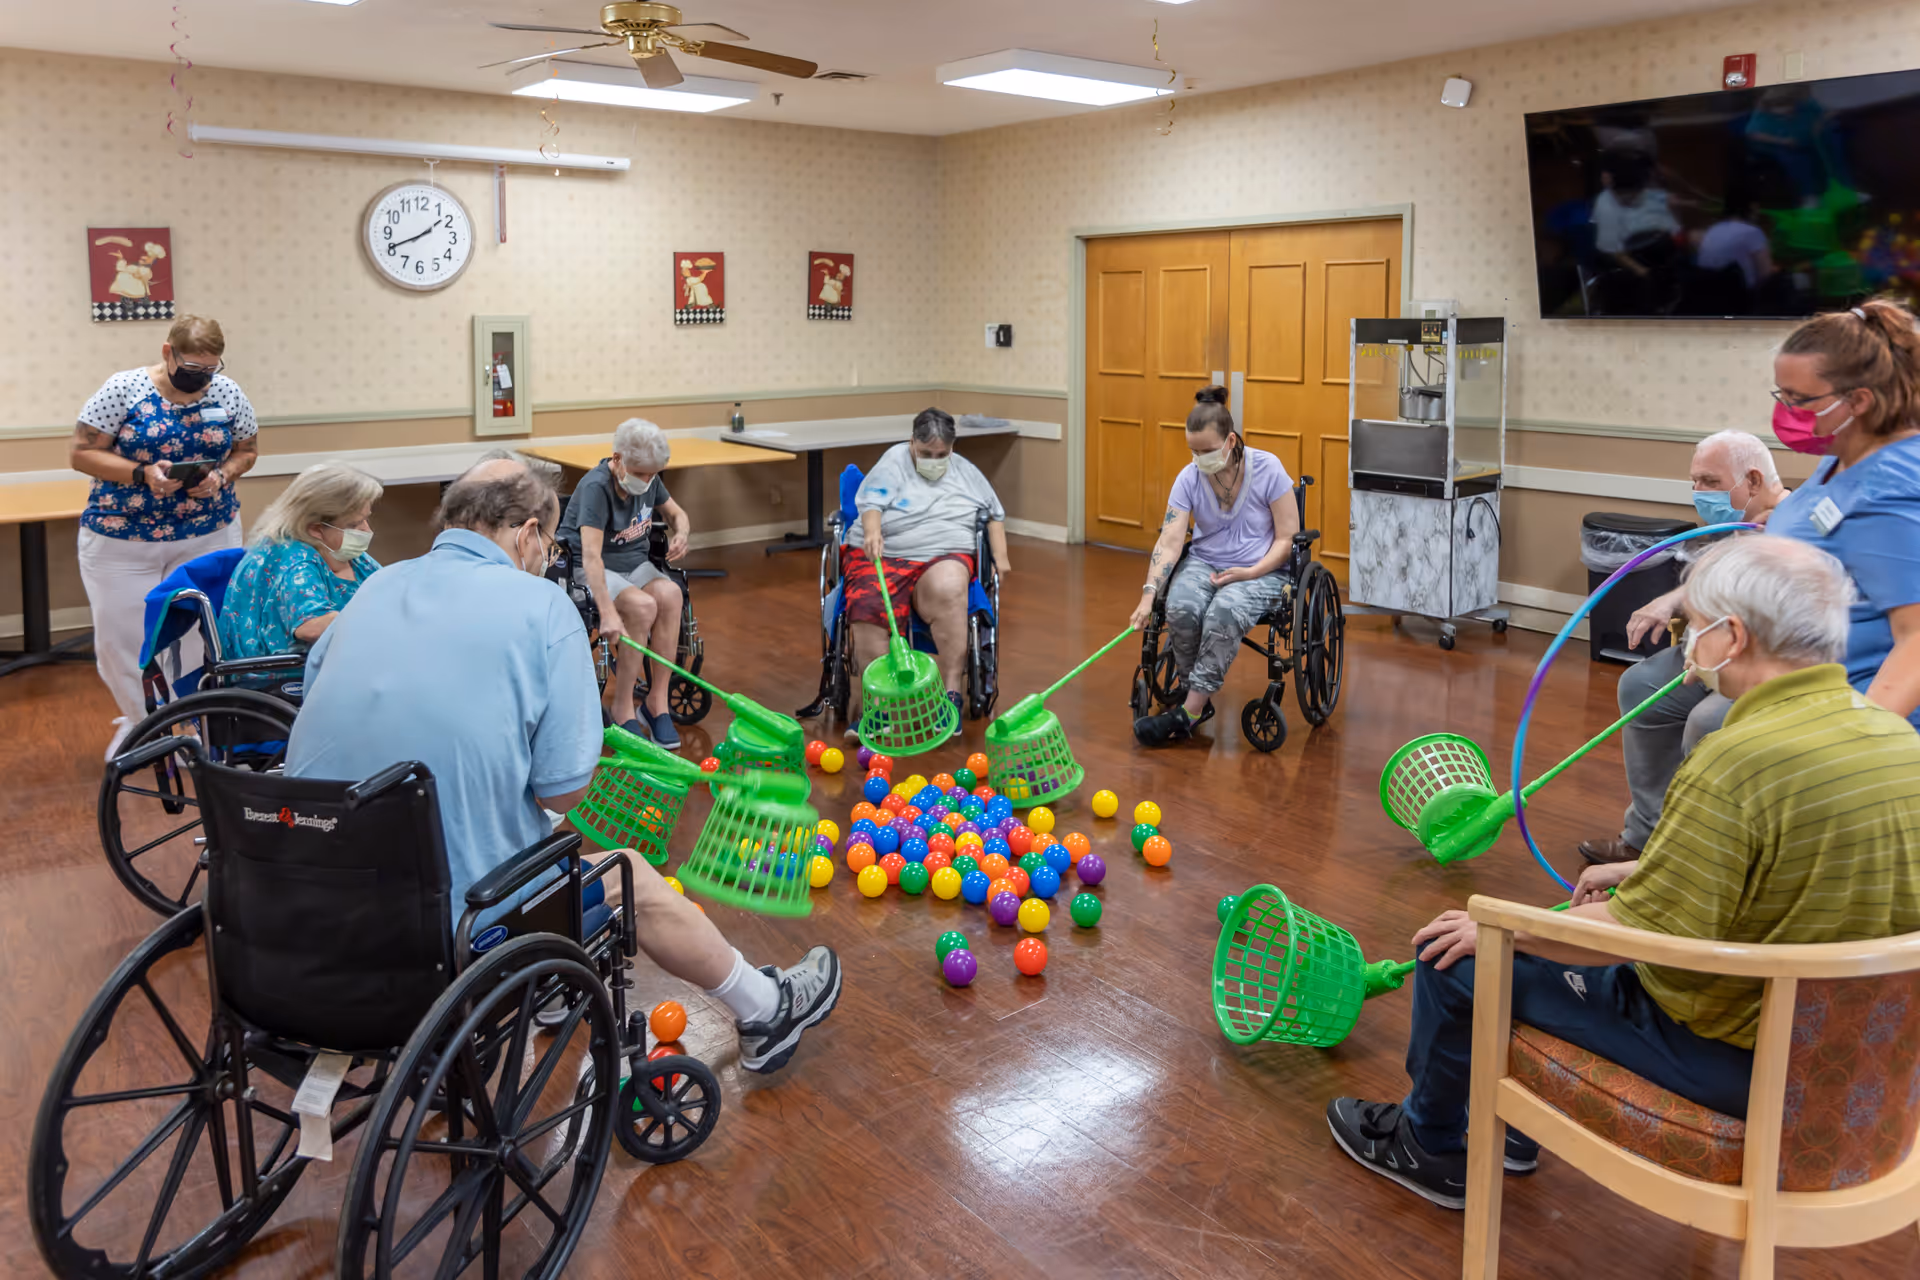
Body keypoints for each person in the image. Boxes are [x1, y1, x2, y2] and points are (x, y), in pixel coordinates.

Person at [1327, 536, 1920, 1209]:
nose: (1683, 641)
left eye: (1689, 625)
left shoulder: (1736, 762)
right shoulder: (1895, 737)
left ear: (1732, 636)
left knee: (1453, 958)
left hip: (1733, 1056)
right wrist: (1648, 867)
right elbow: (1791, 868)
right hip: (1854, 1064)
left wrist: (1498, 925)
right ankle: (1509, 1119)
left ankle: (1428, 1146)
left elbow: (1629, 940)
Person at [286, 457, 839, 1073]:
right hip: (448, 925)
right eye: (547, 542)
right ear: (526, 534)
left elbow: (322, 704)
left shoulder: (373, 588)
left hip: (311, 901)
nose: (547, 554)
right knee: (626, 872)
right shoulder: (540, 605)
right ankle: (766, 1007)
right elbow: (566, 790)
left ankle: (547, 993)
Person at [1577, 429, 1790, 865]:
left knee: (1707, 721)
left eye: (1709, 482)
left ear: (1752, 480)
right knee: (1640, 686)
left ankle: (1698, 856)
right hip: (1715, 656)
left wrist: (1717, 652)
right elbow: (1716, 571)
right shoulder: (1741, 524)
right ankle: (1646, 837)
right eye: (1694, 482)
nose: (1698, 493)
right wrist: (1670, 600)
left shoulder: (1796, 525)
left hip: (1771, 667)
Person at [72, 314, 260, 758]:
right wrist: (142, 473)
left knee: (201, 634)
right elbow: (81, 453)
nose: (201, 378)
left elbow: (247, 450)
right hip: (122, 538)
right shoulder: (125, 389)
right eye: (192, 368)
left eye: (210, 369)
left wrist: (222, 475)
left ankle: (189, 726)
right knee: (123, 639)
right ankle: (141, 726)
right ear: (167, 352)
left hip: (207, 532)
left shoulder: (227, 392)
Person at [1767, 298, 1920, 727]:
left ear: (1858, 401)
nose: (1787, 411)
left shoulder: (1890, 486)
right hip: (1803, 688)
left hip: (1855, 710)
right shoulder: (1844, 455)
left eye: (1800, 399)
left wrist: (1859, 737)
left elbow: (1917, 639)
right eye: (1782, 394)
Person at [1128, 386, 1301, 746]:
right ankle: (1197, 700)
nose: (1199, 458)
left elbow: (1287, 539)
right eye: (1193, 450)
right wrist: (1148, 595)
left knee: (1224, 611)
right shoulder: (1189, 478)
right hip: (1206, 561)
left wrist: (1250, 573)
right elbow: (1171, 541)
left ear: (1230, 440)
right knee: (1180, 606)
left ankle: (1186, 713)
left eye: (1207, 450)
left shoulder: (1268, 468)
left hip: (1263, 570)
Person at [846, 408, 1011, 740]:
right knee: (870, 599)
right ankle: (877, 709)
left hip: (945, 551)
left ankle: (948, 699)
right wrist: (873, 533)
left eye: (941, 454)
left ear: (952, 447)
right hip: (888, 551)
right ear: (912, 443)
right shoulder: (893, 462)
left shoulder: (966, 471)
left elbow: (994, 514)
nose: (934, 460)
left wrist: (1002, 558)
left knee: (951, 587)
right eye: (926, 454)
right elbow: (872, 504)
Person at [556, 418, 692, 747]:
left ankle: (656, 703)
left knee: (672, 595)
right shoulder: (595, 487)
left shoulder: (649, 480)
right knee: (643, 606)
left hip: (634, 564)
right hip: (590, 569)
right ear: (617, 460)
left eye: (653, 474)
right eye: (641, 473)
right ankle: (622, 707)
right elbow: (590, 557)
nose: (647, 481)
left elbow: (677, 514)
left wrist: (682, 532)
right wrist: (608, 611)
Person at [218, 462, 382, 659]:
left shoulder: (347, 554)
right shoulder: (293, 559)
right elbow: (312, 626)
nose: (366, 530)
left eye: (365, 519)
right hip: (284, 677)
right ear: (315, 528)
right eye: (354, 524)